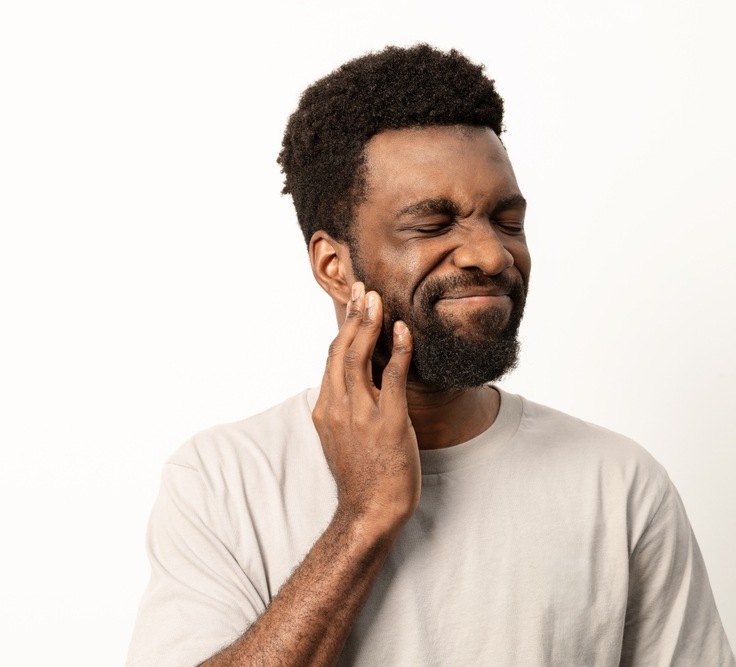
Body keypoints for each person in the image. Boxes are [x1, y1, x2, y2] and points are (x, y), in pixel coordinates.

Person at [126, 44, 735, 666]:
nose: (491, 255)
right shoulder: (225, 480)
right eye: (433, 225)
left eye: (507, 220)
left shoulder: (619, 484)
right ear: (334, 267)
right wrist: (364, 517)